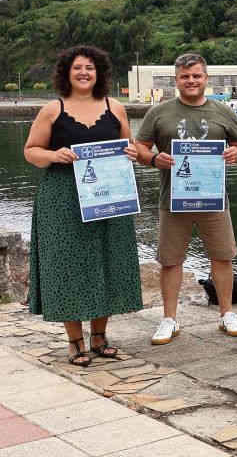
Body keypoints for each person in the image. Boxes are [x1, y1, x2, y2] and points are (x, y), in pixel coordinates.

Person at [24, 45, 143, 366]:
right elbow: (31, 150)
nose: (84, 72)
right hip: (63, 197)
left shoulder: (115, 107)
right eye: (77, 67)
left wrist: (132, 152)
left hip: (109, 195)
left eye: (90, 67)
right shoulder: (53, 109)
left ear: (99, 72)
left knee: (107, 258)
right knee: (68, 265)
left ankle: (100, 336)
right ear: (66, 72)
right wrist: (54, 155)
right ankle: (75, 340)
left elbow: (129, 146)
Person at [135, 53, 237, 344]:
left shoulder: (223, 111)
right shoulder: (158, 113)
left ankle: (226, 314)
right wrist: (152, 159)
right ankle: (169, 320)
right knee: (171, 261)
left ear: (205, 78)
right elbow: (139, 148)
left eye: (196, 75)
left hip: (213, 198)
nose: (191, 81)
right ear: (177, 80)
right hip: (173, 200)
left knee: (223, 256)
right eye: (185, 76)